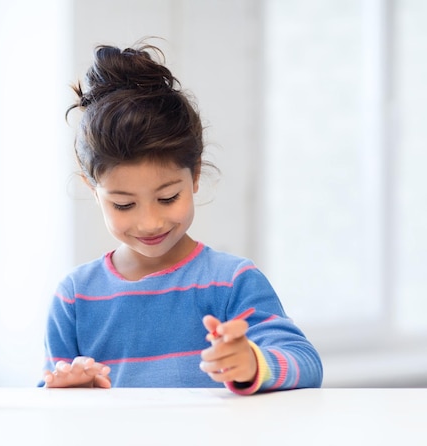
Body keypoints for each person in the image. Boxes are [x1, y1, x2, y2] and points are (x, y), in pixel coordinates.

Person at [40, 40, 323, 394]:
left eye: (168, 197)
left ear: (196, 174)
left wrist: (251, 362)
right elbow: (48, 394)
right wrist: (71, 391)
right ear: (93, 189)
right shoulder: (76, 297)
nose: (150, 222)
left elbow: (305, 361)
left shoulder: (231, 281)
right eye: (124, 205)